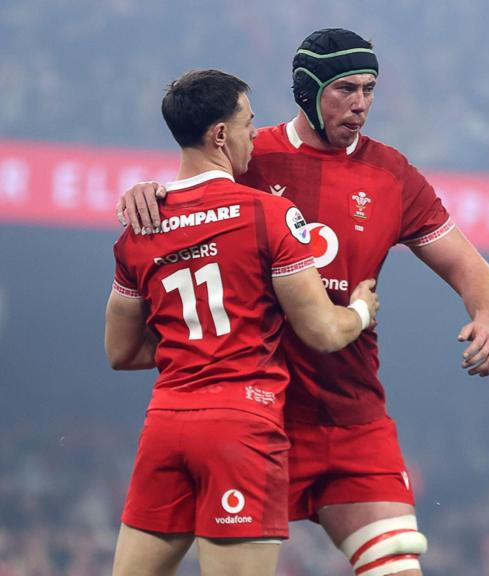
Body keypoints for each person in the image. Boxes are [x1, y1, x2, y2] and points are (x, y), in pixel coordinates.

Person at [116, 28, 489, 576]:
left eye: (369, 89)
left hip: (352, 420)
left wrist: (486, 319)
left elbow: (472, 269)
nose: (361, 104)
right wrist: (148, 191)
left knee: (399, 569)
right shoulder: (252, 155)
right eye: (346, 88)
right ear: (306, 90)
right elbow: (194, 183)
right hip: (260, 415)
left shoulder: (392, 174)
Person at [105, 69, 379, 576]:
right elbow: (322, 331)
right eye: (249, 123)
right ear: (220, 135)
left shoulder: (139, 228)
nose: (256, 133)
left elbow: (120, 352)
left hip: (166, 422)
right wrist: (361, 310)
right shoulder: (270, 214)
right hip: (242, 425)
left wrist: (187, 345)